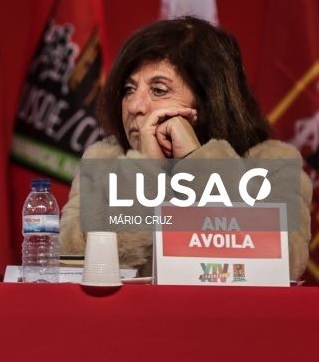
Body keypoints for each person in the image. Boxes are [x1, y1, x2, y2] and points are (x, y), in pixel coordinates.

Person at [59, 16, 311, 280]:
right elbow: (72, 258)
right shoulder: (104, 159)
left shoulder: (273, 162)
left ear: (207, 102)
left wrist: (197, 161)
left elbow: (286, 262)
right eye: (128, 89)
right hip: (131, 318)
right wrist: (145, 175)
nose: (134, 106)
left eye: (158, 90)